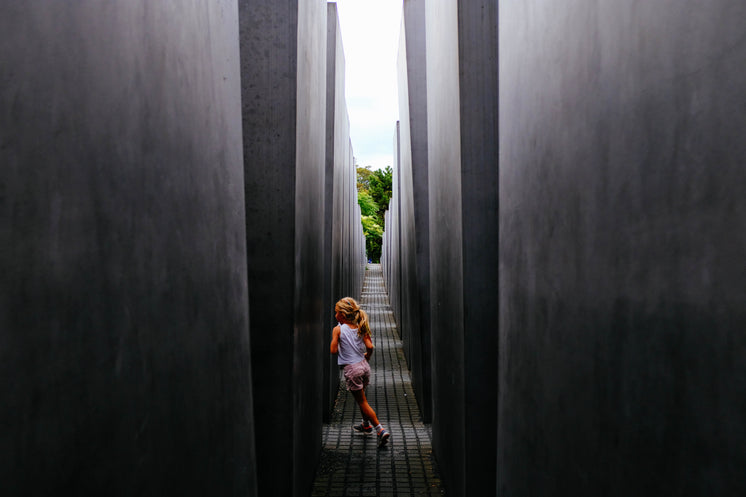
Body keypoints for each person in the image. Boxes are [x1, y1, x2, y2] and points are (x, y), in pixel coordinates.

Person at [330, 297, 390, 448]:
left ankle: (379, 429)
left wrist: (335, 338)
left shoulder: (338, 329)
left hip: (352, 369)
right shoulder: (361, 327)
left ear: (342, 315)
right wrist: (367, 357)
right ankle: (365, 425)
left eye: (336, 312)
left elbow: (333, 350)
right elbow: (370, 347)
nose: (335, 314)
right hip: (364, 367)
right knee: (361, 398)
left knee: (362, 402)